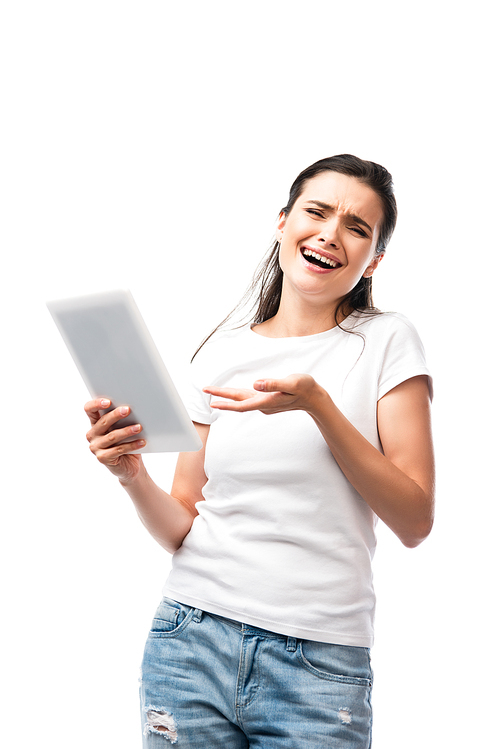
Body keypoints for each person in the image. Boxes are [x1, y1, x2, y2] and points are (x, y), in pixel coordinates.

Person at [85, 155, 435, 748]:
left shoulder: (386, 341)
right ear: (282, 222)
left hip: (319, 661)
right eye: (316, 212)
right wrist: (131, 475)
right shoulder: (220, 351)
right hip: (189, 637)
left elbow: (415, 520)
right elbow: (183, 524)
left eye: (356, 227)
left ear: (374, 260)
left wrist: (318, 406)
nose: (329, 233)